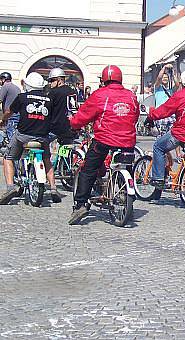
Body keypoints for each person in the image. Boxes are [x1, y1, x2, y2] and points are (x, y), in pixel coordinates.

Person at [68, 65, 139, 224]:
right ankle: (128, 199)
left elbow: (84, 115)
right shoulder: (131, 96)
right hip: (127, 140)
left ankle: (80, 204)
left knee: (88, 169)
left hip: (104, 139)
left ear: (104, 79)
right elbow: (134, 116)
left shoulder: (100, 94)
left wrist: (73, 124)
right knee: (125, 165)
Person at [146, 69, 185, 187]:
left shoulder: (181, 95)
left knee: (158, 146)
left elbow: (165, 110)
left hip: (183, 133)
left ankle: (158, 179)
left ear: (183, 82)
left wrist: (151, 114)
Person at [0, 72, 56, 205]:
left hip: (23, 136)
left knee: (8, 157)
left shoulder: (22, 97)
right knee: (47, 159)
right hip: (43, 137)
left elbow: (9, 112)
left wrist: (3, 119)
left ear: (28, 85)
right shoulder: (49, 99)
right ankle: (53, 187)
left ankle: (10, 187)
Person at [47, 68, 79, 147]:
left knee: (47, 153)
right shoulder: (72, 92)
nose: (50, 83)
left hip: (55, 129)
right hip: (70, 129)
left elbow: (47, 110)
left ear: (59, 80)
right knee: (66, 155)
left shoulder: (53, 93)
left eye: (52, 80)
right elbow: (74, 110)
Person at [0, 72, 21, 140]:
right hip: (17, 115)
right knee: (14, 136)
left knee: (11, 137)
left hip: (10, 116)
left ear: (3, 79)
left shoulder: (5, 86)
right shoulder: (17, 88)